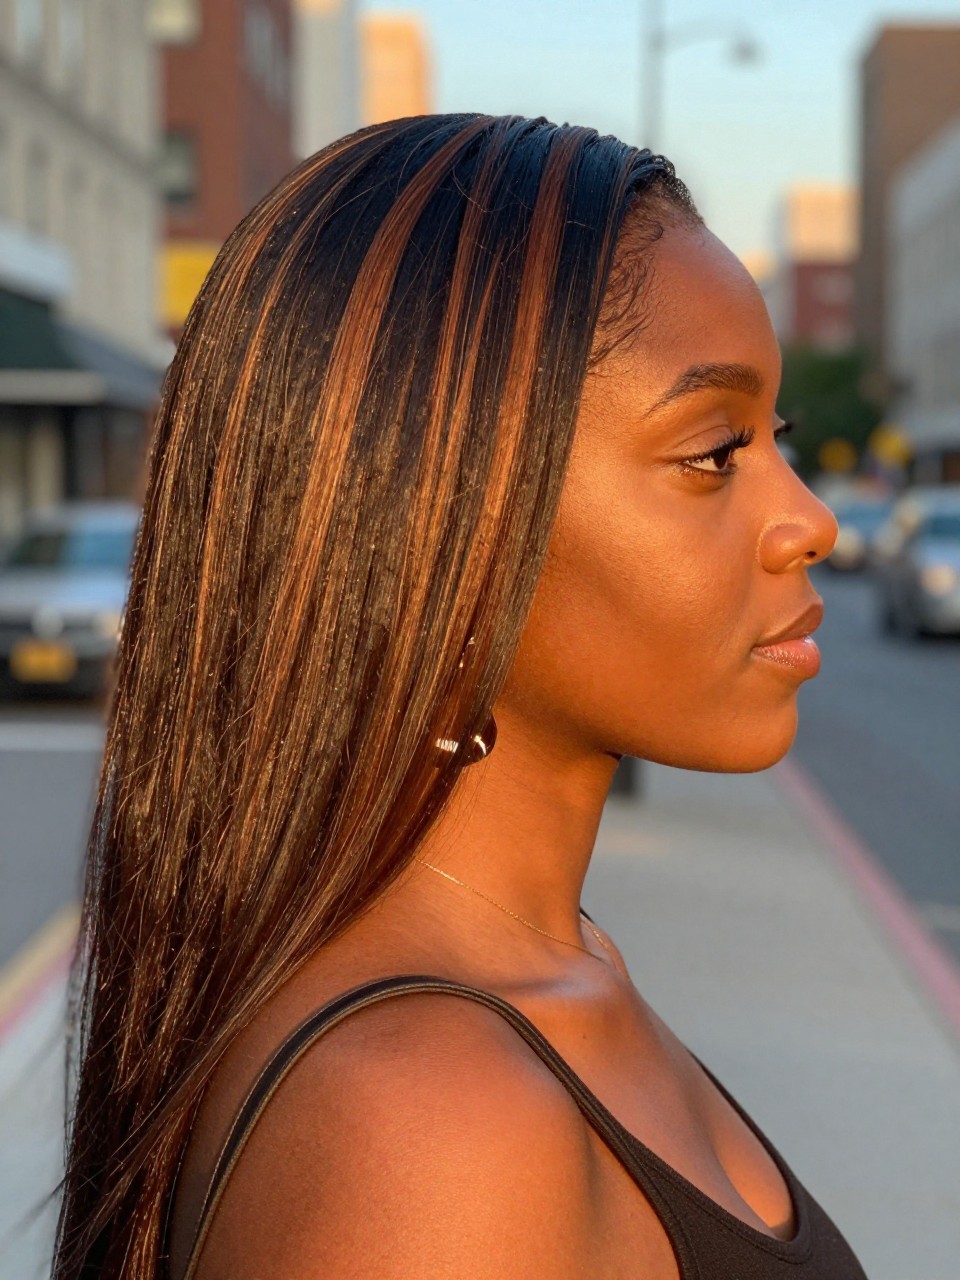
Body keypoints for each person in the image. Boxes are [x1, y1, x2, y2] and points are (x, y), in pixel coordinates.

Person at [50, 113, 861, 1280]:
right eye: (713, 451)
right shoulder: (431, 1128)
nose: (810, 520)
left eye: (775, 435)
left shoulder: (559, 969)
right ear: (444, 524)